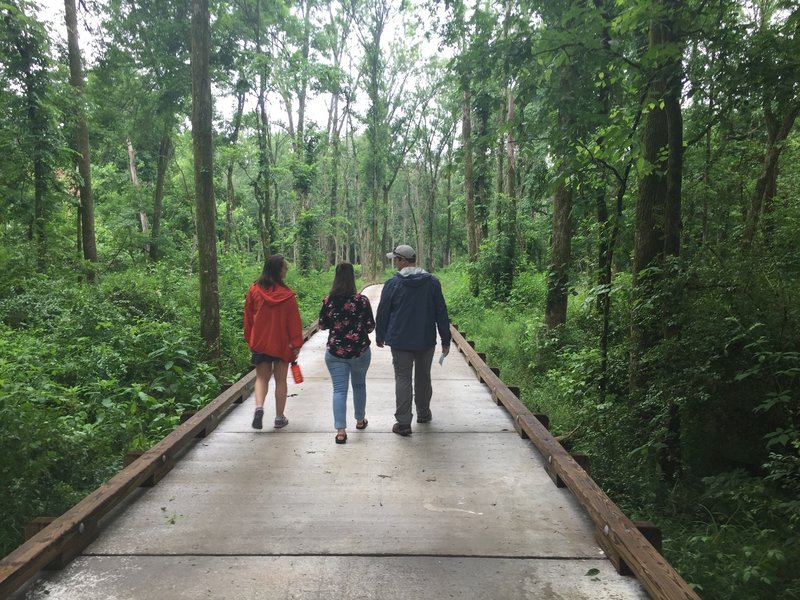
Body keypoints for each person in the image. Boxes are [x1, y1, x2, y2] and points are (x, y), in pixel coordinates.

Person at [376, 244, 451, 436]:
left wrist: (380, 334)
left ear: (402, 260)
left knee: (403, 378)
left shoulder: (393, 284)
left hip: (400, 341)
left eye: (396, 260)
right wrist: (445, 338)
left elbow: (383, 311)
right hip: (425, 339)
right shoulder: (432, 282)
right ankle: (423, 413)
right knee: (423, 377)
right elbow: (441, 312)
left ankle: (403, 423)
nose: (395, 264)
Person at [243, 255, 304, 430]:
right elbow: (294, 322)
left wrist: (250, 339)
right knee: (281, 380)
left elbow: (248, 319)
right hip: (282, 344)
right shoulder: (288, 295)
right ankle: (279, 417)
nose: (287, 270)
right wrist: (296, 343)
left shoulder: (254, 290)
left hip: (261, 343)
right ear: (278, 270)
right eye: (285, 267)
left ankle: (259, 407)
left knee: (261, 378)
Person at [318, 263, 375, 445]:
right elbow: (370, 327)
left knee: (339, 390)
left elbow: (322, 325)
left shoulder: (328, 301)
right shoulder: (362, 301)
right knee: (359, 385)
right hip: (359, 352)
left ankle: (340, 431)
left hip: (335, 353)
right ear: (352, 278)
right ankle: (360, 420)